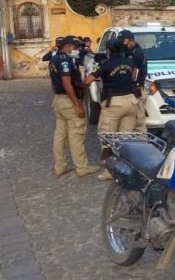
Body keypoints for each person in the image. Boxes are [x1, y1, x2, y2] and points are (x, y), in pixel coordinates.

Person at [83, 39, 140, 181]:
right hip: (131, 101)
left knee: (107, 138)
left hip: (114, 103)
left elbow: (88, 81)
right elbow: (133, 77)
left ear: (108, 50)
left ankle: (110, 172)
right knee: (125, 139)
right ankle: (126, 170)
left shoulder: (105, 64)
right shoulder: (129, 62)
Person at [49, 36, 100, 178]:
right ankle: (82, 167)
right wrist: (78, 104)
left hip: (59, 100)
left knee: (60, 135)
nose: (77, 50)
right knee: (76, 134)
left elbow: (54, 83)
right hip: (69, 101)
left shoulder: (54, 58)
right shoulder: (64, 60)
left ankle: (60, 166)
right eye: (76, 47)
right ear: (67, 46)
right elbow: (67, 83)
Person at [119, 30, 147, 132]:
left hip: (137, 88)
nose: (122, 43)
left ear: (130, 40)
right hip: (131, 89)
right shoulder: (128, 51)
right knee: (129, 120)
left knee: (139, 120)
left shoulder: (138, 52)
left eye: (124, 41)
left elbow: (135, 74)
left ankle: (142, 143)